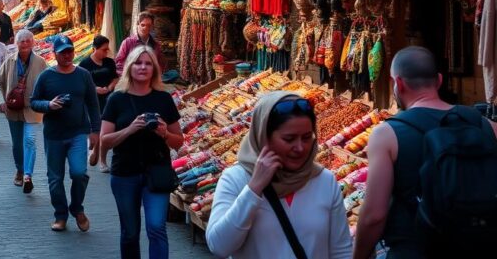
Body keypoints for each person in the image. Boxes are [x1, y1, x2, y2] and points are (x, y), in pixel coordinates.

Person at [353, 46, 497, 259]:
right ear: (439, 81)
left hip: (414, 250)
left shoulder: (387, 134)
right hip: (478, 247)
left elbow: (374, 216)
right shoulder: (487, 126)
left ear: (398, 84)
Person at [206, 92, 352, 259]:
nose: (300, 148)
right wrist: (254, 189)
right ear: (264, 137)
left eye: (306, 138)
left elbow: (341, 251)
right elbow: (219, 246)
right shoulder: (236, 178)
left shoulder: (324, 181)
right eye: (289, 139)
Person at [100, 46, 183, 259]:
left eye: (148, 63)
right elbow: (105, 141)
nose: (143, 67)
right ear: (130, 67)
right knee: (130, 232)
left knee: (156, 227)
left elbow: (178, 142)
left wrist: (164, 133)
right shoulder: (117, 99)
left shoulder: (164, 99)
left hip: (156, 172)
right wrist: (130, 129)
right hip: (124, 174)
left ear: (154, 69)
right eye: (138, 63)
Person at [30, 35, 101, 232]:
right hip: (54, 134)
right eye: (63, 52)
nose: (68, 55)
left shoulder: (83, 75)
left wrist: (96, 130)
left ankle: (77, 208)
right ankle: (60, 215)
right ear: (55, 54)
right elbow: (33, 101)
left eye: (70, 51)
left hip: (78, 132)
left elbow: (93, 105)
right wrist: (49, 105)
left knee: (79, 173)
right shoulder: (46, 76)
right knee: (55, 178)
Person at [0, 29, 48, 192]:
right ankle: (19, 169)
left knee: (30, 140)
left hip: (33, 109)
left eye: (27, 41)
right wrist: (1, 101)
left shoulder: (41, 62)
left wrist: (47, 103)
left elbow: (47, 83)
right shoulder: (9, 61)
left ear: (32, 43)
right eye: (21, 41)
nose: (24, 44)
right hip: (13, 110)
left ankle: (28, 175)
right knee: (17, 144)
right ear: (16, 44)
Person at [80, 34, 120, 172]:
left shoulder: (109, 62)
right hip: (91, 101)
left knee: (104, 129)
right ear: (94, 49)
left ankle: (101, 159)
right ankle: (93, 148)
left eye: (107, 49)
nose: (106, 52)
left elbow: (115, 78)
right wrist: (95, 89)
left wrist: (109, 87)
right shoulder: (85, 64)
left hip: (108, 100)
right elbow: (81, 83)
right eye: (103, 49)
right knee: (94, 127)